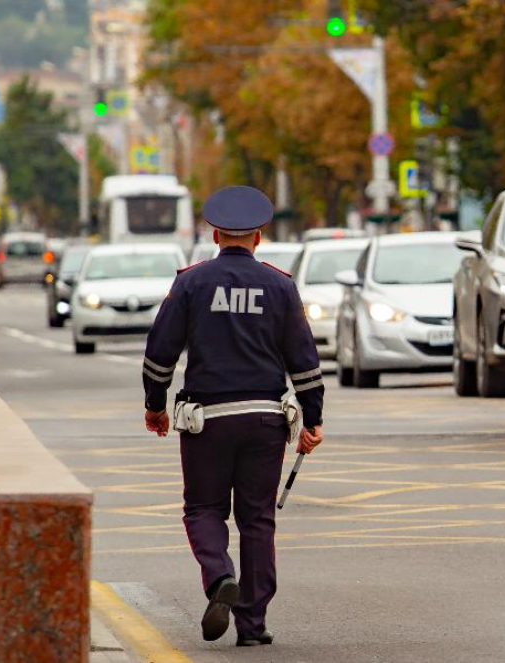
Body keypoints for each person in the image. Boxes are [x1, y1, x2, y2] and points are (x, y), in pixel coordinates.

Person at [142, 185, 325, 647]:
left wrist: (155, 404)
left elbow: (160, 352)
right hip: (266, 418)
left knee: (203, 508)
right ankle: (253, 623)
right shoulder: (280, 286)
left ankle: (220, 574)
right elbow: (303, 360)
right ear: (259, 237)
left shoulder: (191, 283)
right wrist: (313, 418)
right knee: (257, 520)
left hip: (208, 420)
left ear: (215, 234)